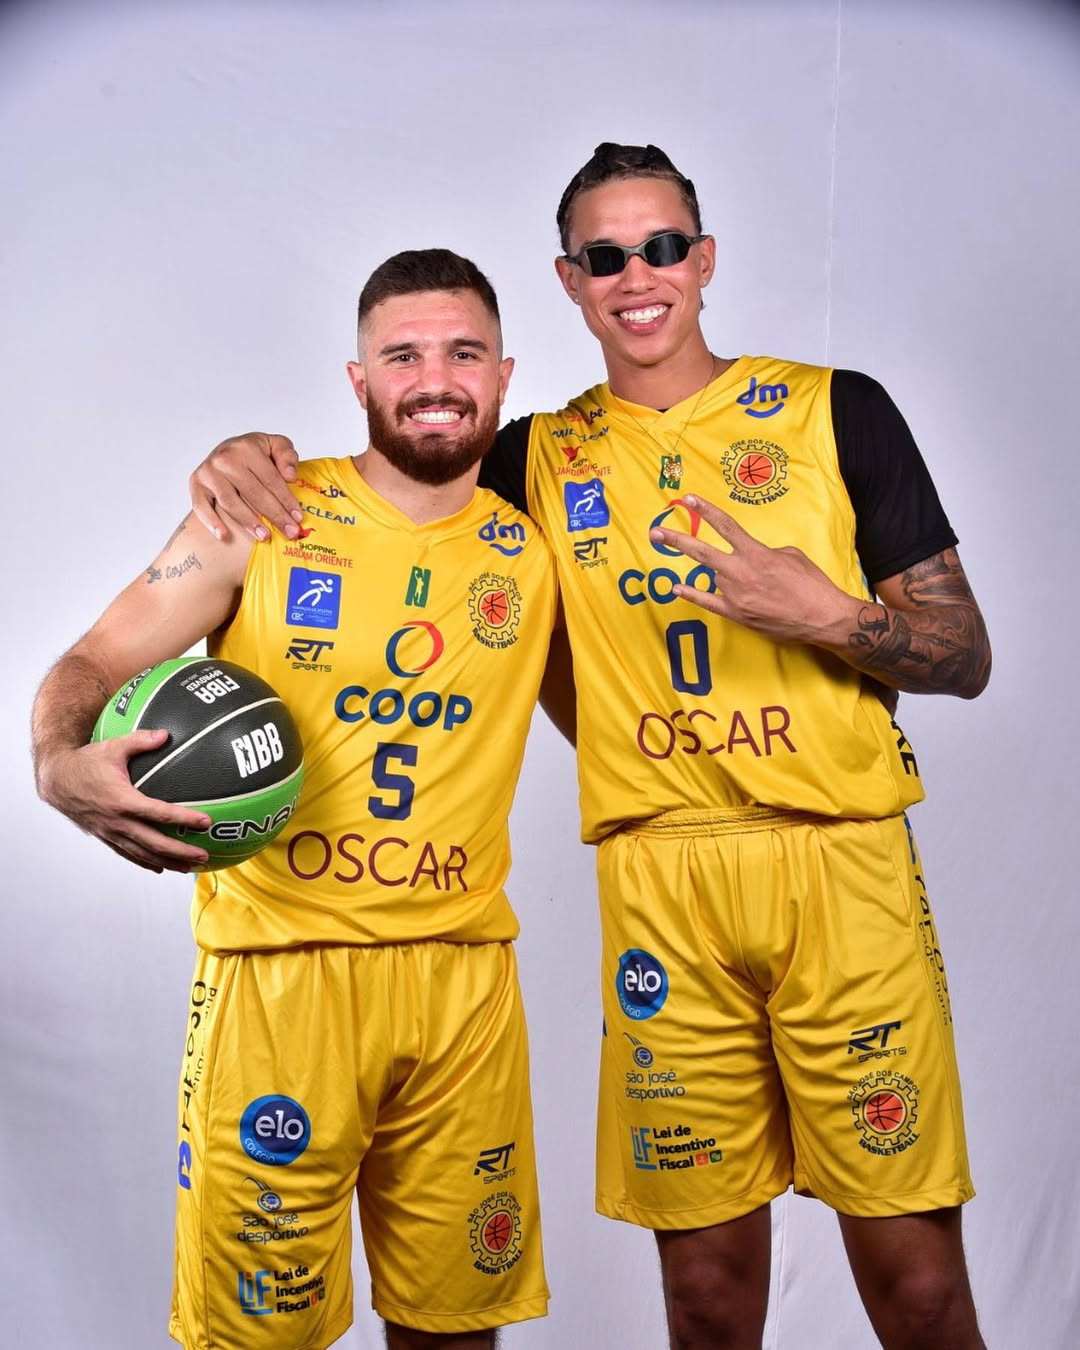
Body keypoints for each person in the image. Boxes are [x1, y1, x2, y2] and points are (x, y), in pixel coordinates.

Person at [186, 144, 991, 1349]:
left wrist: (822, 613)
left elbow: (964, 653)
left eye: (662, 247)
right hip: (662, 884)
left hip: (845, 864)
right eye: (605, 257)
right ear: (570, 281)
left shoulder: (839, 409)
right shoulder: (535, 458)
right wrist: (246, 455)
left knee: (918, 1288)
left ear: (703, 259)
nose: (637, 275)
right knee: (705, 1295)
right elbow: (407, 464)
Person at [32, 250, 559, 1350]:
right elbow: (91, 662)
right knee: (257, 1339)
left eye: (463, 353)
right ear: (358, 381)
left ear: (504, 378)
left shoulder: (538, 543)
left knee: (457, 1330)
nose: (435, 379)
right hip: (280, 985)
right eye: (402, 356)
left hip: (463, 986)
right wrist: (57, 763)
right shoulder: (261, 514)